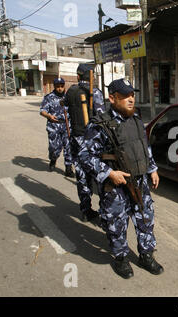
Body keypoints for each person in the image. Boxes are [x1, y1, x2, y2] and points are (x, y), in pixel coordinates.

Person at [78, 78, 163, 279]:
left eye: (132, 94)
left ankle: (146, 255)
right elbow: (84, 155)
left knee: (145, 218)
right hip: (116, 185)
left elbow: (144, 146)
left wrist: (152, 169)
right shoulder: (100, 124)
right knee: (117, 224)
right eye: (125, 96)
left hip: (140, 181)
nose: (131, 99)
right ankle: (121, 258)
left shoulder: (135, 119)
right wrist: (109, 173)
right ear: (112, 98)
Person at [65, 64, 105, 222]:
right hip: (91, 142)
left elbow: (66, 105)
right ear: (91, 77)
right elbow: (101, 118)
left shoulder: (72, 91)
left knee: (82, 176)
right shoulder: (94, 93)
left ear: (78, 76)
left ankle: (85, 210)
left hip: (75, 138)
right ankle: (105, 213)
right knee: (99, 176)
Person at [39, 77, 74, 177]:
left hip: (67, 125)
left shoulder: (69, 97)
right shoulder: (49, 97)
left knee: (68, 147)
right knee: (54, 148)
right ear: (54, 87)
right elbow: (42, 111)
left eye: (61, 86)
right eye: (57, 86)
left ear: (64, 86)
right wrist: (49, 116)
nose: (60, 88)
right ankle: (53, 159)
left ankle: (68, 168)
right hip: (54, 125)